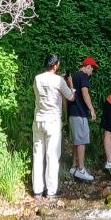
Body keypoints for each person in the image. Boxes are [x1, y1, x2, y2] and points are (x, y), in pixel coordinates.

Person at [32, 55, 75, 198]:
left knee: (38, 155)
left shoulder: (38, 78)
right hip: (53, 121)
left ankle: (37, 190)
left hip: (38, 120)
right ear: (55, 66)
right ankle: (51, 191)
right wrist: (70, 84)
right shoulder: (59, 81)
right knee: (52, 155)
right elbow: (70, 97)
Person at [68, 56, 99, 182]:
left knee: (77, 140)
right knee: (81, 141)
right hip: (80, 113)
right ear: (88, 66)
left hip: (72, 113)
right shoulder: (84, 77)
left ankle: (74, 167)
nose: (93, 73)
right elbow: (85, 93)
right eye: (93, 69)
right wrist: (91, 109)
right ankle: (81, 169)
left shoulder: (74, 77)